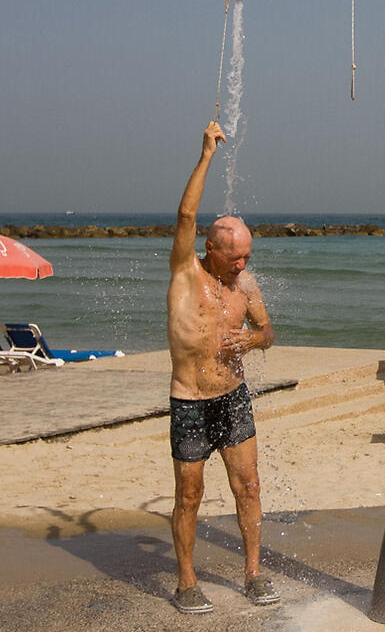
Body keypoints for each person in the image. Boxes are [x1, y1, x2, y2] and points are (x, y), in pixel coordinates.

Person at [167, 121, 278, 614]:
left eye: (247, 257)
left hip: (233, 396)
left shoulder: (247, 285)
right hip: (190, 401)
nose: (242, 265)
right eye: (235, 257)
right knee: (190, 494)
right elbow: (187, 212)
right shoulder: (185, 274)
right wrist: (206, 155)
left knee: (248, 485)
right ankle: (187, 581)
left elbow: (269, 334)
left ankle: (253, 573)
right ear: (211, 249)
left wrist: (254, 339)